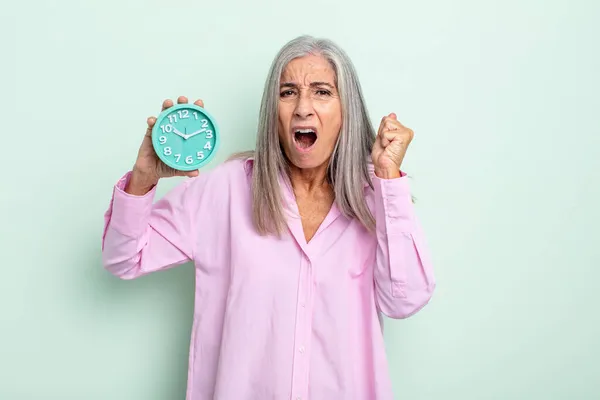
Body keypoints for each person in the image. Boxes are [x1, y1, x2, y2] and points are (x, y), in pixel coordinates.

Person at [101, 35, 435, 400]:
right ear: (272, 110)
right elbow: (124, 258)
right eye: (288, 92)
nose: (303, 108)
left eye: (322, 92)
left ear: (346, 111)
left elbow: (405, 300)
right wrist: (143, 179)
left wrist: (388, 180)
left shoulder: (376, 199)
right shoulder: (225, 190)